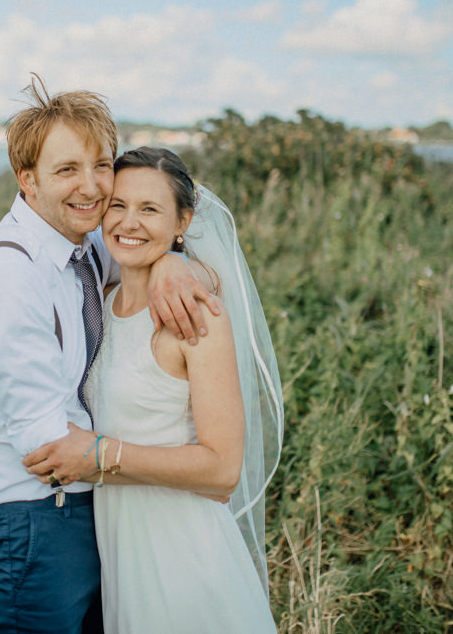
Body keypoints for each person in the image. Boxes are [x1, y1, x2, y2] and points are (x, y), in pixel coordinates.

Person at [0, 81, 217, 634]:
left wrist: (174, 259)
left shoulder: (83, 245)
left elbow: (145, 253)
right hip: (30, 522)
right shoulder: (10, 276)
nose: (91, 186)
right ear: (28, 179)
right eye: (67, 169)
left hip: (86, 512)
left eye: (101, 165)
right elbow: (47, 449)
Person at [22, 147, 284, 634]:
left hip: (183, 554)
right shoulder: (98, 303)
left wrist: (101, 455)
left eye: (149, 209)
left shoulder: (197, 317)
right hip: (120, 551)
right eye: (118, 205)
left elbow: (223, 470)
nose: (129, 222)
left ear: (182, 221)